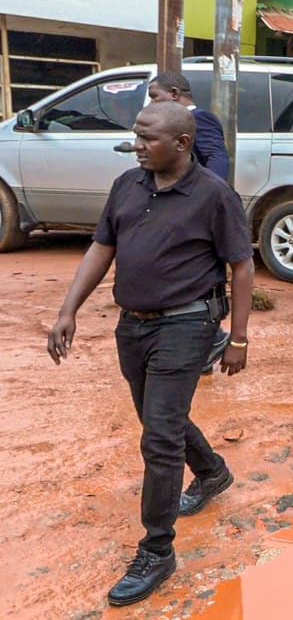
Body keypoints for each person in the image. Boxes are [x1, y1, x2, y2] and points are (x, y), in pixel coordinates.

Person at [47, 102, 253, 606]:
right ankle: (211, 472)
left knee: (159, 437)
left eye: (147, 138)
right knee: (160, 419)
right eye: (135, 136)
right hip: (132, 326)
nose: (136, 145)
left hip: (188, 323)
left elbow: (242, 268)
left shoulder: (213, 195)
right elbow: (102, 247)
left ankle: (157, 550)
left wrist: (240, 338)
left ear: (182, 144)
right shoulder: (127, 185)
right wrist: (68, 309)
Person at [146, 72, 233, 373]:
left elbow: (217, 157)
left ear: (174, 93)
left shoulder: (200, 119)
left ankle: (215, 339)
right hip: (174, 212)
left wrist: (206, 198)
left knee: (194, 276)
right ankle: (203, 348)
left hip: (195, 215)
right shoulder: (171, 127)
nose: (152, 103)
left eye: (155, 97)